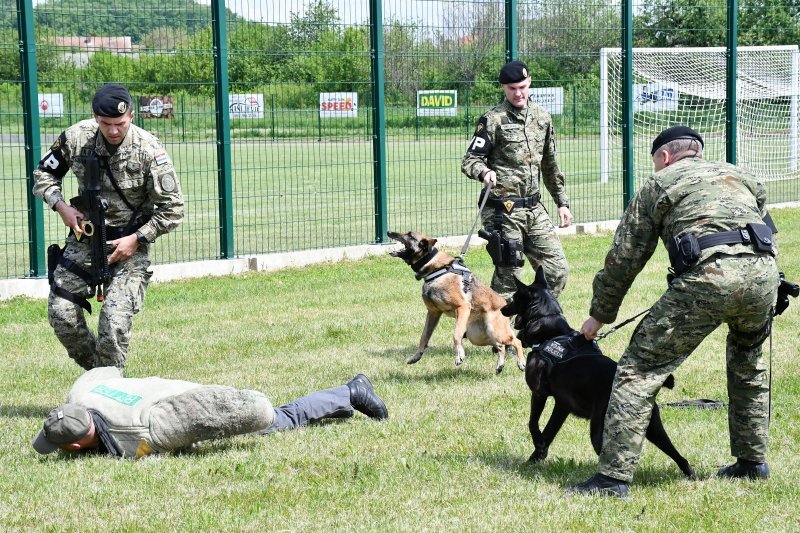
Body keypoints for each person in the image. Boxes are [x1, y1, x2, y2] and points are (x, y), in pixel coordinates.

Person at [572, 125, 780, 497]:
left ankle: (612, 480)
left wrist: (599, 315)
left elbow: (624, 258)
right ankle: (752, 463)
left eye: (655, 162)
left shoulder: (660, 183)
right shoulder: (742, 176)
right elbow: (763, 229)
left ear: (664, 157)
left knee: (637, 371)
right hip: (763, 277)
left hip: (708, 276)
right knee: (750, 362)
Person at [33, 84, 184, 371]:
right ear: (94, 117)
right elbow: (43, 174)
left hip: (130, 245)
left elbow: (174, 208)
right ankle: (100, 378)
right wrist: (61, 207)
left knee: (113, 324)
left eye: (120, 124)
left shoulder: (149, 149)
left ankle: (107, 392)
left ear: (131, 116)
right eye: (106, 124)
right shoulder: (76, 138)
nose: (113, 131)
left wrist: (138, 239)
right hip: (85, 239)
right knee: (61, 313)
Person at [33, 367, 388, 458]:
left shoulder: (137, 436)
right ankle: (336, 407)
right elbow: (107, 372)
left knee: (281, 419)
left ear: (75, 447)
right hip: (176, 395)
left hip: (205, 408)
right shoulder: (82, 394)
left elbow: (258, 411)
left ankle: (351, 391)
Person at [461, 60, 574, 301]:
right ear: (503, 87)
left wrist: (562, 203)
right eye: (512, 88)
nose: (518, 92)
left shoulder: (542, 118)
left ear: (529, 83)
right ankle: (502, 336)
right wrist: (483, 172)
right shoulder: (492, 120)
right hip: (503, 211)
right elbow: (470, 160)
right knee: (509, 276)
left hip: (534, 208)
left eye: (522, 86)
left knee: (557, 271)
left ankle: (531, 317)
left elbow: (550, 165)